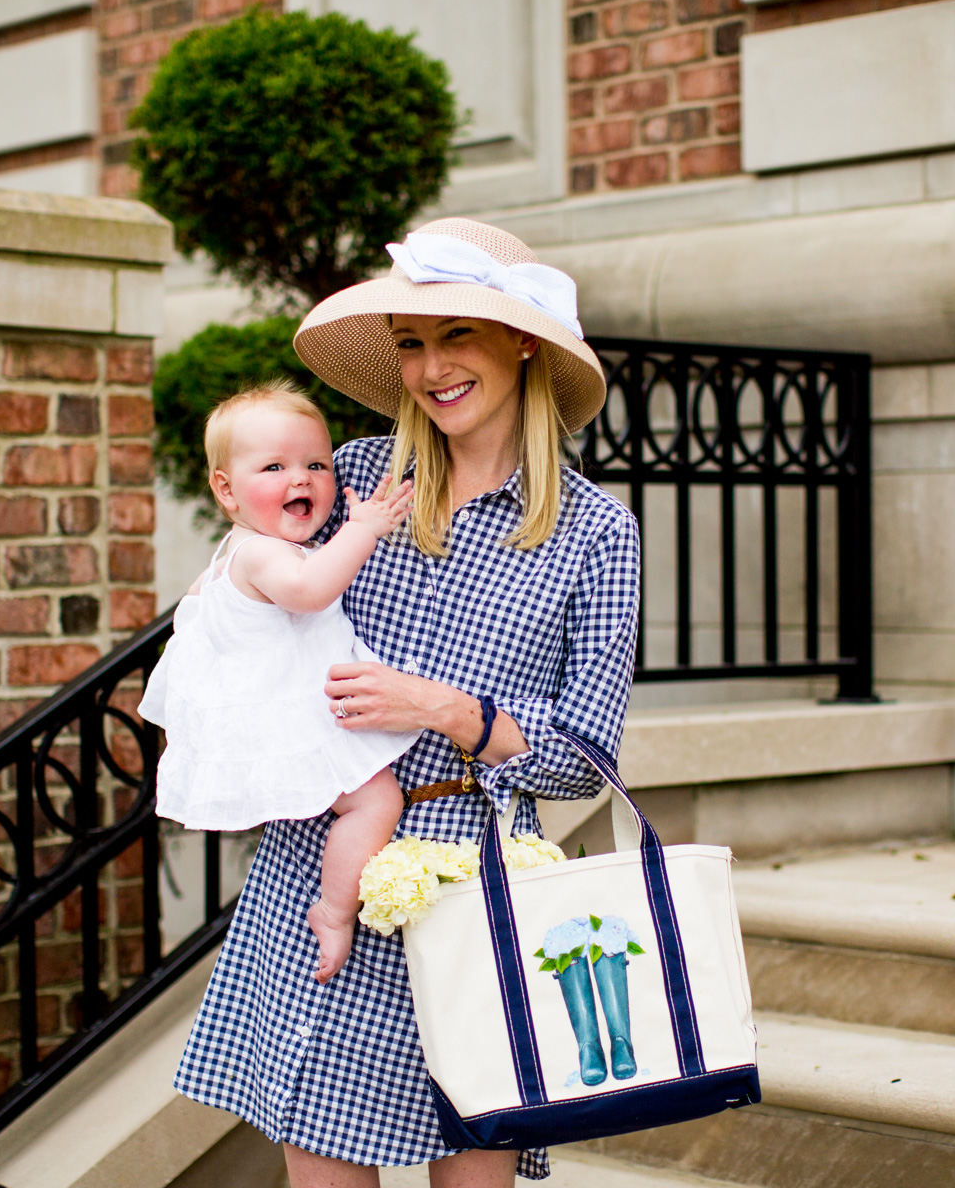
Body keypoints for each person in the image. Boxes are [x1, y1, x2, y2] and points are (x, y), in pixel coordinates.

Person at [173, 218, 641, 1187]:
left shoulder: (597, 532)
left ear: (524, 342)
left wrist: (442, 706)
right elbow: (239, 609)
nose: (431, 370)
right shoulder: (344, 480)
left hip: (477, 889)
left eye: (456, 336)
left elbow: (586, 756)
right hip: (327, 873)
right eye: (411, 344)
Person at [138, 382, 418, 982]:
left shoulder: (233, 552)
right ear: (226, 490)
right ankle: (336, 911)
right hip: (301, 713)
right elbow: (312, 589)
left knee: (366, 803)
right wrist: (364, 527)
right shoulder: (264, 555)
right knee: (378, 801)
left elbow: (196, 615)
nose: (303, 479)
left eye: (317, 464)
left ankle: (334, 908)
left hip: (282, 704)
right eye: (274, 466)